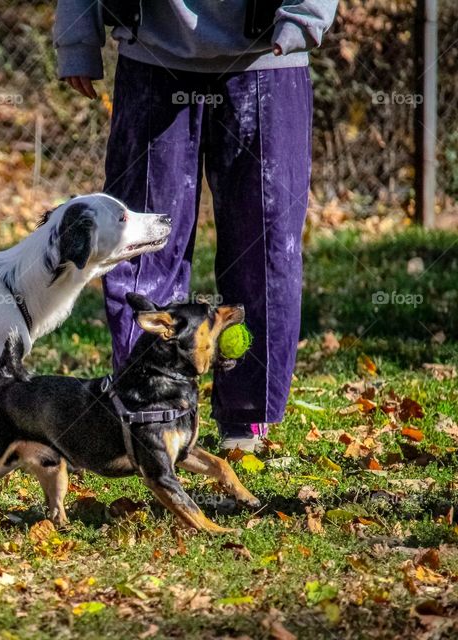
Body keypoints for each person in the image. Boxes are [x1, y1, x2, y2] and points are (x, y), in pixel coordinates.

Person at [54, 0, 338, 452]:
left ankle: (247, 418)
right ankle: (144, 411)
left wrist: (305, 17)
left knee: (265, 248)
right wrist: (76, 38)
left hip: (268, 59)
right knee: (141, 245)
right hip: (153, 55)